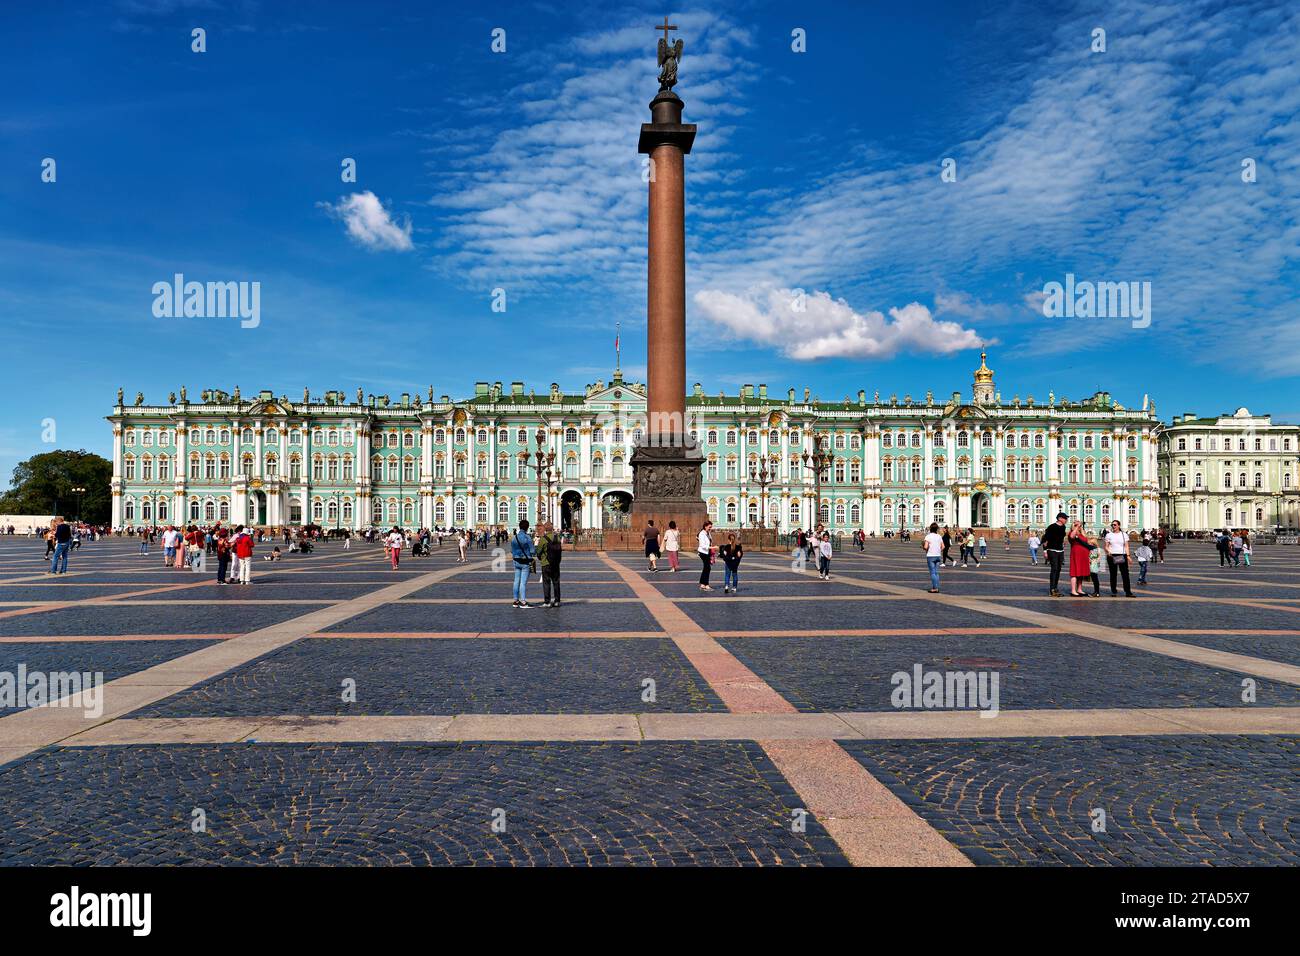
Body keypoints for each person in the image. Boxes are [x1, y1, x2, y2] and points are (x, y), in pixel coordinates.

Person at [510, 519, 536, 608]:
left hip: (516, 561)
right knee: (523, 583)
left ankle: (515, 601)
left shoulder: (514, 537)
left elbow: (511, 550)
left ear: (519, 527)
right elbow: (532, 551)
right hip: (525, 562)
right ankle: (523, 601)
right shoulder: (527, 537)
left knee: (516, 581)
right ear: (527, 528)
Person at [1105, 520, 1135, 597]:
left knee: (1125, 574)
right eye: (1112, 525)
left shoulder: (1124, 535)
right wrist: (1108, 551)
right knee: (1113, 574)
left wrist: (1128, 556)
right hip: (1112, 556)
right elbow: (1106, 546)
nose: (1113, 526)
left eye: (1115, 525)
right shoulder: (1109, 535)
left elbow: (1126, 546)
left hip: (1122, 555)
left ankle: (1128, 592)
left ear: (1119, 525)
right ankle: (1114, 591)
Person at [1041, 512, 1068, 596]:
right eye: (1065, 518)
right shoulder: (1052, 527)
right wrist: (1045, 551)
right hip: (1052, 550)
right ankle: (1052, 589)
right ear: (1060, 518)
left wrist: (1063, 543)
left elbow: (1062, 537)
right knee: (1054, 569)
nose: (1066, 520)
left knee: (1058, 570)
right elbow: (1045, 539)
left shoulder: (1063, 527)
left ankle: (1055, 588)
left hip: (1060, 550)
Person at [538, 521, 562, 607]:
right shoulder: (557, 537)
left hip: (546, 563)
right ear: (552, 529)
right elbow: (560, 550)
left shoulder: (543, 539)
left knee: (546, 582)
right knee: (556, 582)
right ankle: (557, 601)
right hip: (556, 563)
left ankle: (547, 602)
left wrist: (540, 558)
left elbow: (538, 551)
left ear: (545, 529)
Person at [1067, 520, 1093, 596]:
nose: (1078, 527)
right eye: (1075, 525)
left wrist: (1081, 528)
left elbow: (1086, 539)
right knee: (1074, 572)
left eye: (1079, 525)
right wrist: (1076, 527)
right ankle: (1073, 590)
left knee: (1081, 572)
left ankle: (1079, 589)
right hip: (1076, 555)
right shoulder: (1071, 533)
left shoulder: (1081, 534)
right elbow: (1072, 536)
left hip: (1084, 555)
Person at [922, 522, 943, 592]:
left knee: (932, 572)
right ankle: (937, 587)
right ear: (936, 529)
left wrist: (923, 547)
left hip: (930, 556)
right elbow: (943, 547)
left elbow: (925, 547)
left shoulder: (928, 536)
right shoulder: (939, 536)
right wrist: (938, 550)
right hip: (938, 555)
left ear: (930, 528)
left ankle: (935, 588)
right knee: (936, 572)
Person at [697, 520, 714, 591]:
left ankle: (702, 584)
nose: (710, 528)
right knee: (707, 568)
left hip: (707, 552)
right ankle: (706, 584)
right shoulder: (702, 534)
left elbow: (710, 541)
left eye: (711, 527)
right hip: (703, 552)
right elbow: (702, 545)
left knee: (706, 568)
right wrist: (712, 547)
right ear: (705, 526)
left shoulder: (708, 533)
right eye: (709, 527)